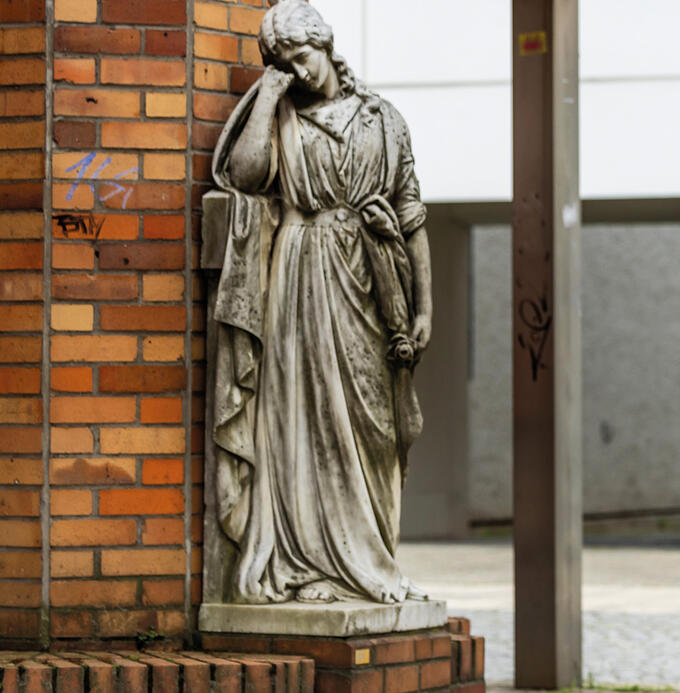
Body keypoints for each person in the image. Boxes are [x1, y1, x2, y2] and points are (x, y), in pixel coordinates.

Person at [208, 0, 431, 604]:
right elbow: (246, 174)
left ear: (326, 46)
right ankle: (308, 567)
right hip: (300, 273)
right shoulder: (282, 119)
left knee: (375, 426)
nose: (296, 70)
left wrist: (424, 309)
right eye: (281, 62)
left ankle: (374, 560)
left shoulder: (383, 119)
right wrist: (267, 93)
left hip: (371, 276)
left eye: (300, 56)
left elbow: (412, 217)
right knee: (301, 418)